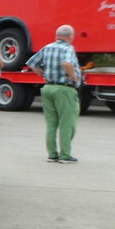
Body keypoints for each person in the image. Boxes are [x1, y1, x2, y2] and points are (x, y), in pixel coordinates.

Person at [25, 24, 82, 162]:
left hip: (48, 88)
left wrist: (43, 75)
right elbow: (67, 64)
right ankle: (65, 155)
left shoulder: (47, 47)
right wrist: (74, 77)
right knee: (67, 123)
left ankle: (52, 154)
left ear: (57, 35)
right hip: (64, 89)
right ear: (69, 36)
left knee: (51, 124)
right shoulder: (68, 48)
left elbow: (31, 64)